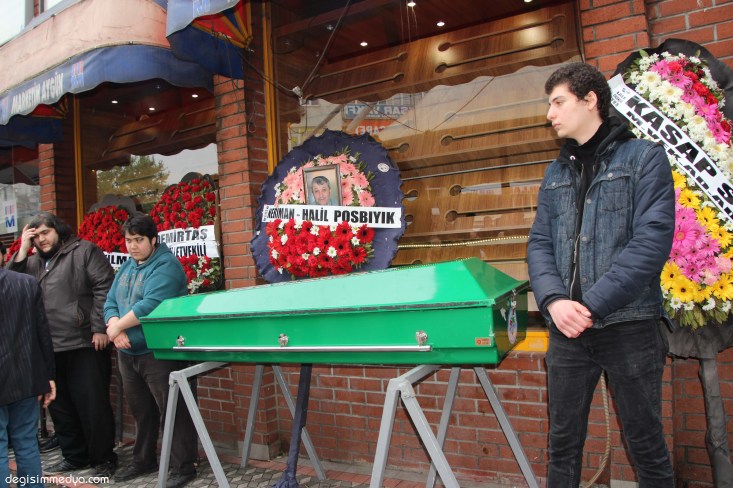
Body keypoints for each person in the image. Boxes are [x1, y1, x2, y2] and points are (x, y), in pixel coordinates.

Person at [526, 62, 676, 486]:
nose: (550, 114)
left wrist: (589, 306)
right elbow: (539, 243)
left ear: (590, 100)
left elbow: (651, 243)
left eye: (558, 102)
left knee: (646, 445)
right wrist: (554, 301)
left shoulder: (644, 158)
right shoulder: (556, 172)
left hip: (629, 327)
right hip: (566, 331)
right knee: (562, 446)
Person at [7, 212, 117, 477]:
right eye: (36, 236)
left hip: (84, 341)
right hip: (48, 346)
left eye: (45, 232)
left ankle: (103, 458)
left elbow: (104, 287)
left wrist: (99, 327)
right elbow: (7, 286)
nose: (41, 239)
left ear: (58, 230)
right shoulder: (31, 262)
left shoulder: (84, 251)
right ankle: (74, 456)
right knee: (60, 407)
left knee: (92, 403)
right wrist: (22, 249)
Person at [104, 214, 197, 488]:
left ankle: (183, 466)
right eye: (128, 240)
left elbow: (150, 305)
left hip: (159, 351)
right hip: (128, 352)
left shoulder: (166, 266)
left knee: (173, 409)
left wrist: (116, 327)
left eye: (139, 240)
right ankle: (143, 460)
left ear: (153, 240)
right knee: (142, 410)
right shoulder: (128, 266)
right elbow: (110, 301)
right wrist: (116, 328)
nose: (132, 246)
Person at [0, 267, 56, 488]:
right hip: (25, 377)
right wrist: (49, 375)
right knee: (26, 442)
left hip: (22, 379)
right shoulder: (26, 283)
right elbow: (43, 331)